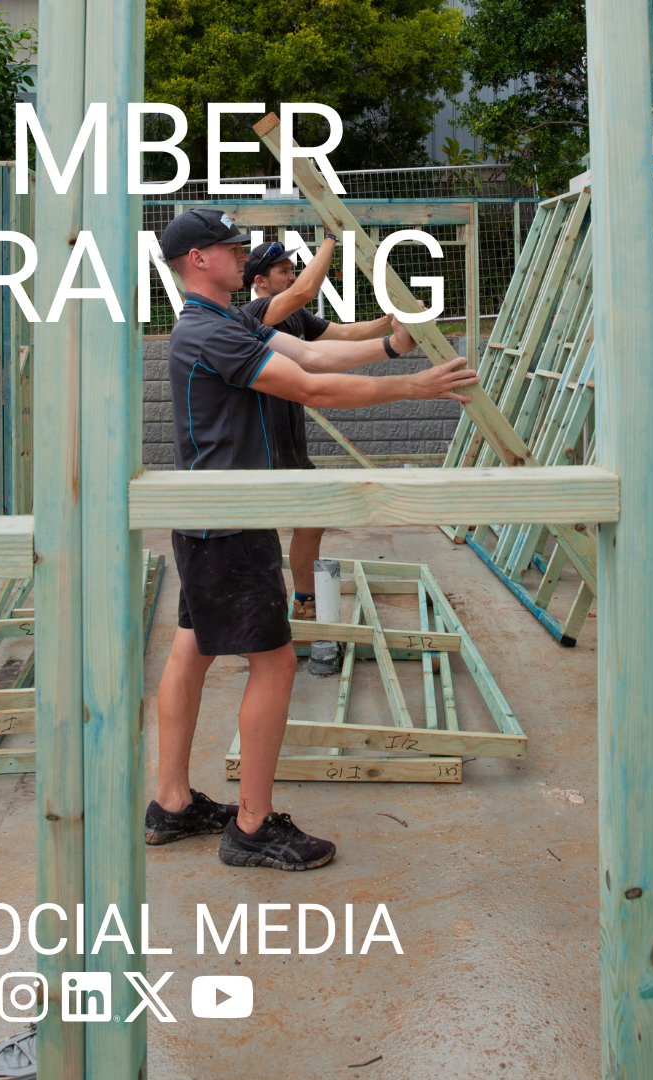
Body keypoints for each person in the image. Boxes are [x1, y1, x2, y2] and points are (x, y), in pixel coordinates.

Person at [144, 207, 478, 871]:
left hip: (213, 519)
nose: (244, 255)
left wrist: (393, 346)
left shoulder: (225, 323)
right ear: (198, 260)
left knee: (191, 652)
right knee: (275, 663)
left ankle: (172, 803)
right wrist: (416, 386)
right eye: (231, 247)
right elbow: (308, 385)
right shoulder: (207, 334)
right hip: (232, 523)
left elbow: (314, 349)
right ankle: (252, 825)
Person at [240, 236, 394, 622]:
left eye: (292, 270)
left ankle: (304, 603)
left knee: (311, 520)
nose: (292, 278)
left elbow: (344, 334)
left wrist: (393, 321)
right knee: (257, 537)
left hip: (289, 448)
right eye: (283, 272)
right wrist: (331, 237)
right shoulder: (255, 312)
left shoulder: (294, 318)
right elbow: (308, 289)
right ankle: (258, 611)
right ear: (260, 281)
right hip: (260, 451)